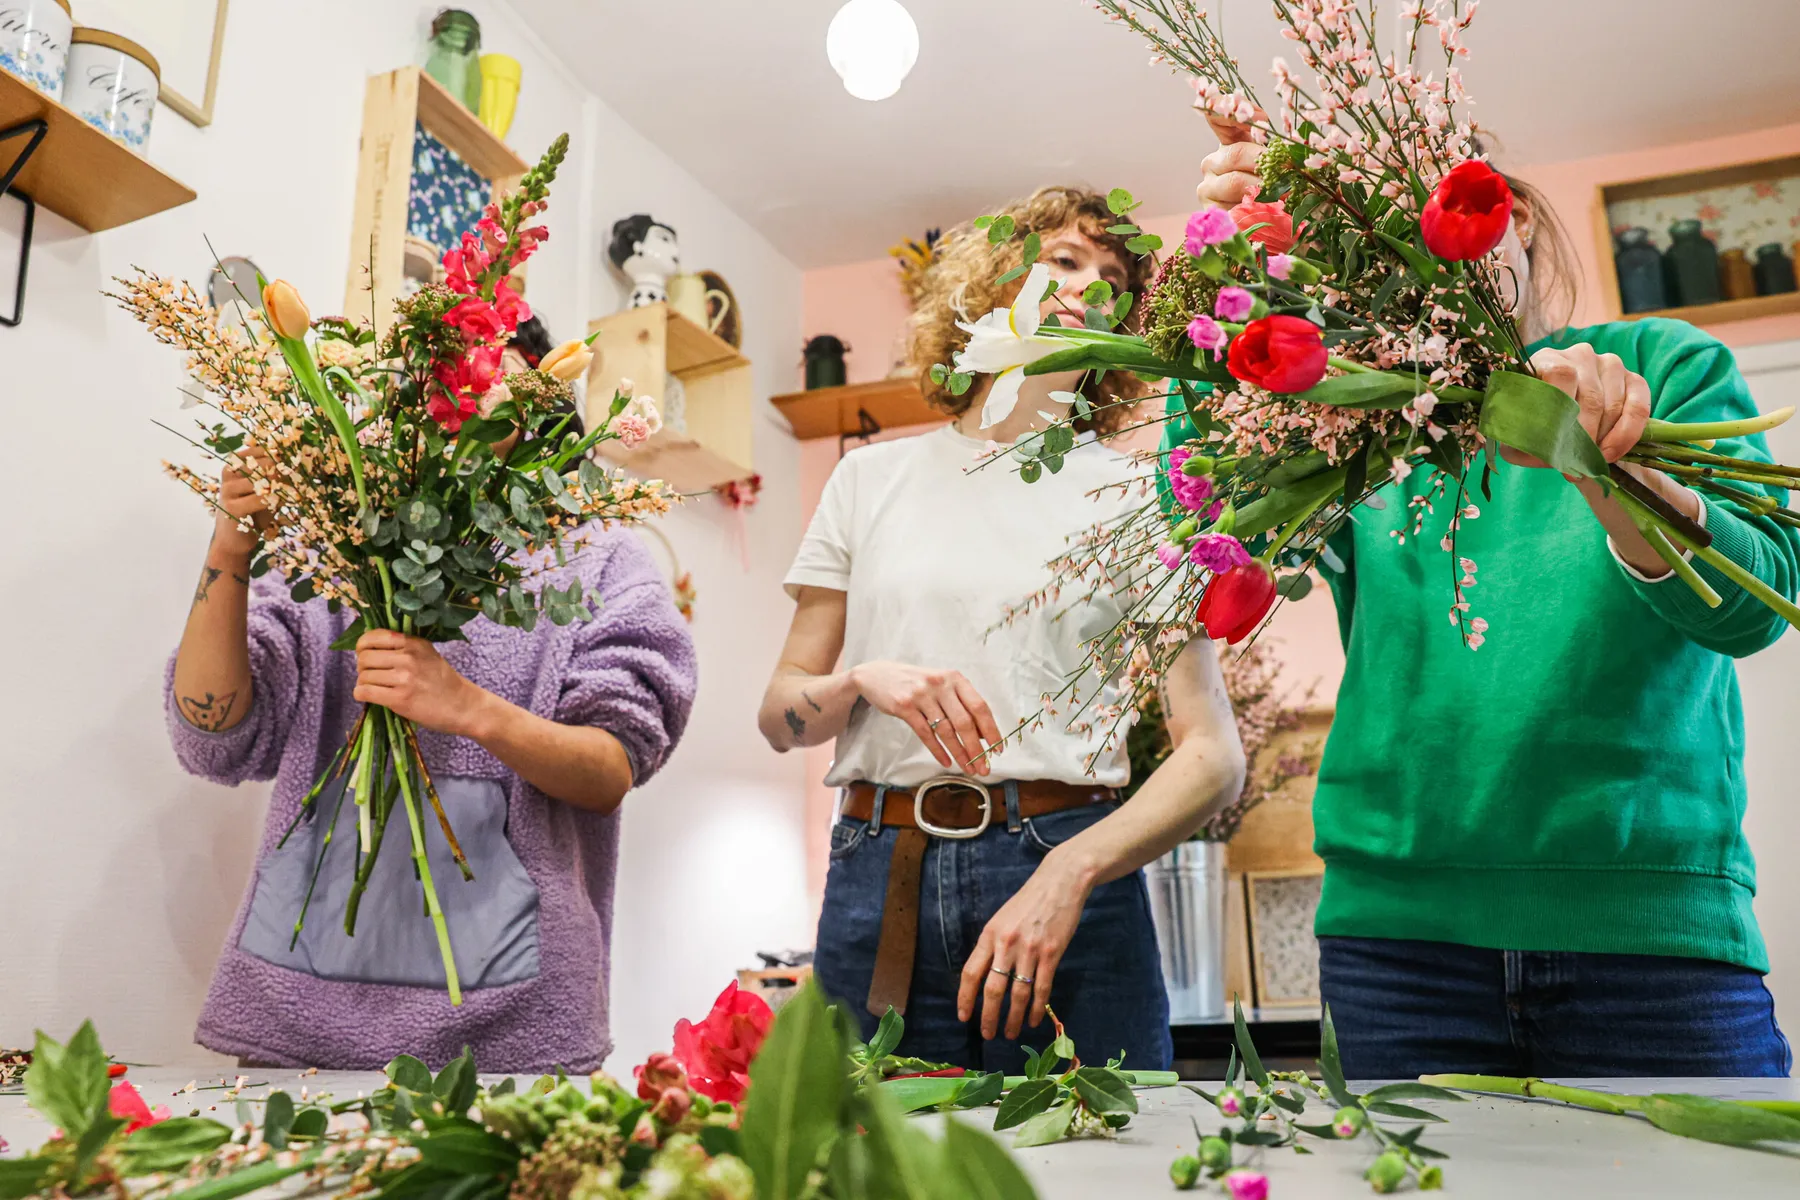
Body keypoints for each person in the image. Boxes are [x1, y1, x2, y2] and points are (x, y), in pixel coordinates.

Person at [1190, 121, 1797, 1077]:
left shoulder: (1655, 363)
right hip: (1399, 950)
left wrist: (1602, 464)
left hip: (1651, 939)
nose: (1432, 251)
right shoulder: (1360, 423)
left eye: (1463, 208)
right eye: (1389, 233)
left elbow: (1752, 607)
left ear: (1516, 229)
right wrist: (1240, 299)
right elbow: (1209, 524)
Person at [759, 186, 1248, 1072]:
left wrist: (1071, 872)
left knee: (1109, 1168)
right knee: (878, 1168)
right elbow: (780, 710)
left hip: (1072, 879)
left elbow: (1214, 757)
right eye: (1064, 260)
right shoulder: (868, 482)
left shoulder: (1142, 498)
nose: (1091, 287)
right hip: (882, 880)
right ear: (990, 282)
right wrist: (858, 680)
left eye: (1112, 278)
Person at [166, 343, 696, 1072]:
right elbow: (212, 734)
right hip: (302, 1020)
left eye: (493, 369)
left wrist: (468, 707)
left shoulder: (600, 560)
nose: (466, 385)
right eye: (442, 367)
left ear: (544, 404)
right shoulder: (333, 543)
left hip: (516, 1031)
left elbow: (609, 769)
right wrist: (233, 545)